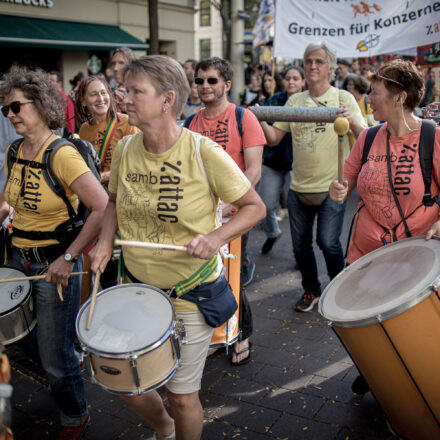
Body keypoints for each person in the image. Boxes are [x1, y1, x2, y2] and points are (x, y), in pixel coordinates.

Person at [90, 55, 265, 440]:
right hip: (136, 285)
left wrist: (216, 237)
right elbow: (115, 202)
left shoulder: (204, 153)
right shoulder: (125, 149)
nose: (126, 99)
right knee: (122, 379)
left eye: (137, 91)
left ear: (167, 99)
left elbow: (255, 207)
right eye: (126, 90)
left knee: (182, 395)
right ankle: (163, 427)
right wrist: (104, 243)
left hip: (189, 292)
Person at [0, 66, 108, 439]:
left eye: (16, 106)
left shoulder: (62, 154)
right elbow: (7, 202)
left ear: (42, 106)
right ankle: (64, 362)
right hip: (19, 259)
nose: (10, 114)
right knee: (20, 336)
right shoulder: (15, 150)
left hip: (54, 265)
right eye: (6, 109)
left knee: (54, 354)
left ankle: (75, 415)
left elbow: (102, 206)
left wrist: (69, 257)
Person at [328, 59, 440, 394]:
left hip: (414, 258)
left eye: (374, 94)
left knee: (409, 330)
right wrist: (339, 190)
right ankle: (375, 370)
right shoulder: (369, 137)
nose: (368, 101)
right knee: (367, 325)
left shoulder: (432, 138)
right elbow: (346, 183)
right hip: (367, 252)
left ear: (400, 97)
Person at [260, 42, 366, 312]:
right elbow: (273, 139)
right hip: (298, 189)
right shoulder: (294, 101)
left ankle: (341, 287)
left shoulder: (343, 98)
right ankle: (311, 291)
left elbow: (364, 135)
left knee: (328, 242)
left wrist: (349, 119)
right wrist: (256, 116)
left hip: (334, 187)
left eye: (319, 61)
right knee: (300, 246)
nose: (313, 66)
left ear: (330, 67)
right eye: (308, 61)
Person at [187, 56, 266, 365]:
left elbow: (255, 171)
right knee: (207, 276)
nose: (204, 86)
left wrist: (229, 206)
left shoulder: (244, 118)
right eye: (199, 80)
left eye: (211, 80)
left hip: (235, 213)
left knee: (230, 276)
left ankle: (241, 333)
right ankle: (220, 335)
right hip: (201, 214)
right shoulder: (192, 122)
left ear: (226, 85)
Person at [75, 75, 139, 288]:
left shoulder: (127, 123)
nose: (100, 98)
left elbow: (135, 165)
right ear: (83, 101)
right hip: (97, 205)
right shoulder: (83, 130)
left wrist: (99, 177)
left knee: (123, 260)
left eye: (104, 93)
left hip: (124, 202)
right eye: (93, 94)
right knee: (105, 264)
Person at [259, 65, 305, 255]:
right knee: (266, 205)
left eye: (295, 78)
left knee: (298, 213)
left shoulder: (309, 102)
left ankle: (300, 253)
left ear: (303, 81)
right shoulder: (275, 100)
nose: (291, 82)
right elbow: (264, 127)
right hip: (273, 161)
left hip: (299, 163)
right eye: (288, 78)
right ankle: (272, 233)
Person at [110, 47, 135, 111]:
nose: (115, 68)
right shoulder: (112, 90)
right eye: (113, 63)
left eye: (121, 63)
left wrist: (127, 109)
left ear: (131, 65)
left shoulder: (140, 91)